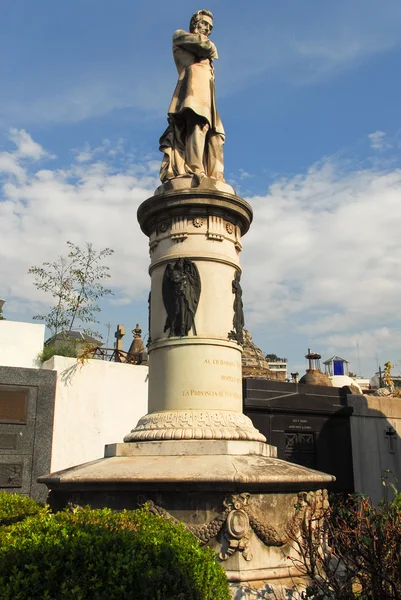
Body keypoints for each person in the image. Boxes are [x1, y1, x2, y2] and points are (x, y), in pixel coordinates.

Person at [159, 9, 225, 185]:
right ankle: (196, 169)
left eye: (210, 27)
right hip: (192, 89)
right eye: (204, 24)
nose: (207, 30)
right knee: (197, 123)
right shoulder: (180, 36)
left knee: (216, 135)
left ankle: (214, 176)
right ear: (195, 22)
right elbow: (205, 46)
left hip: (207, 94)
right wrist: (209, 47)